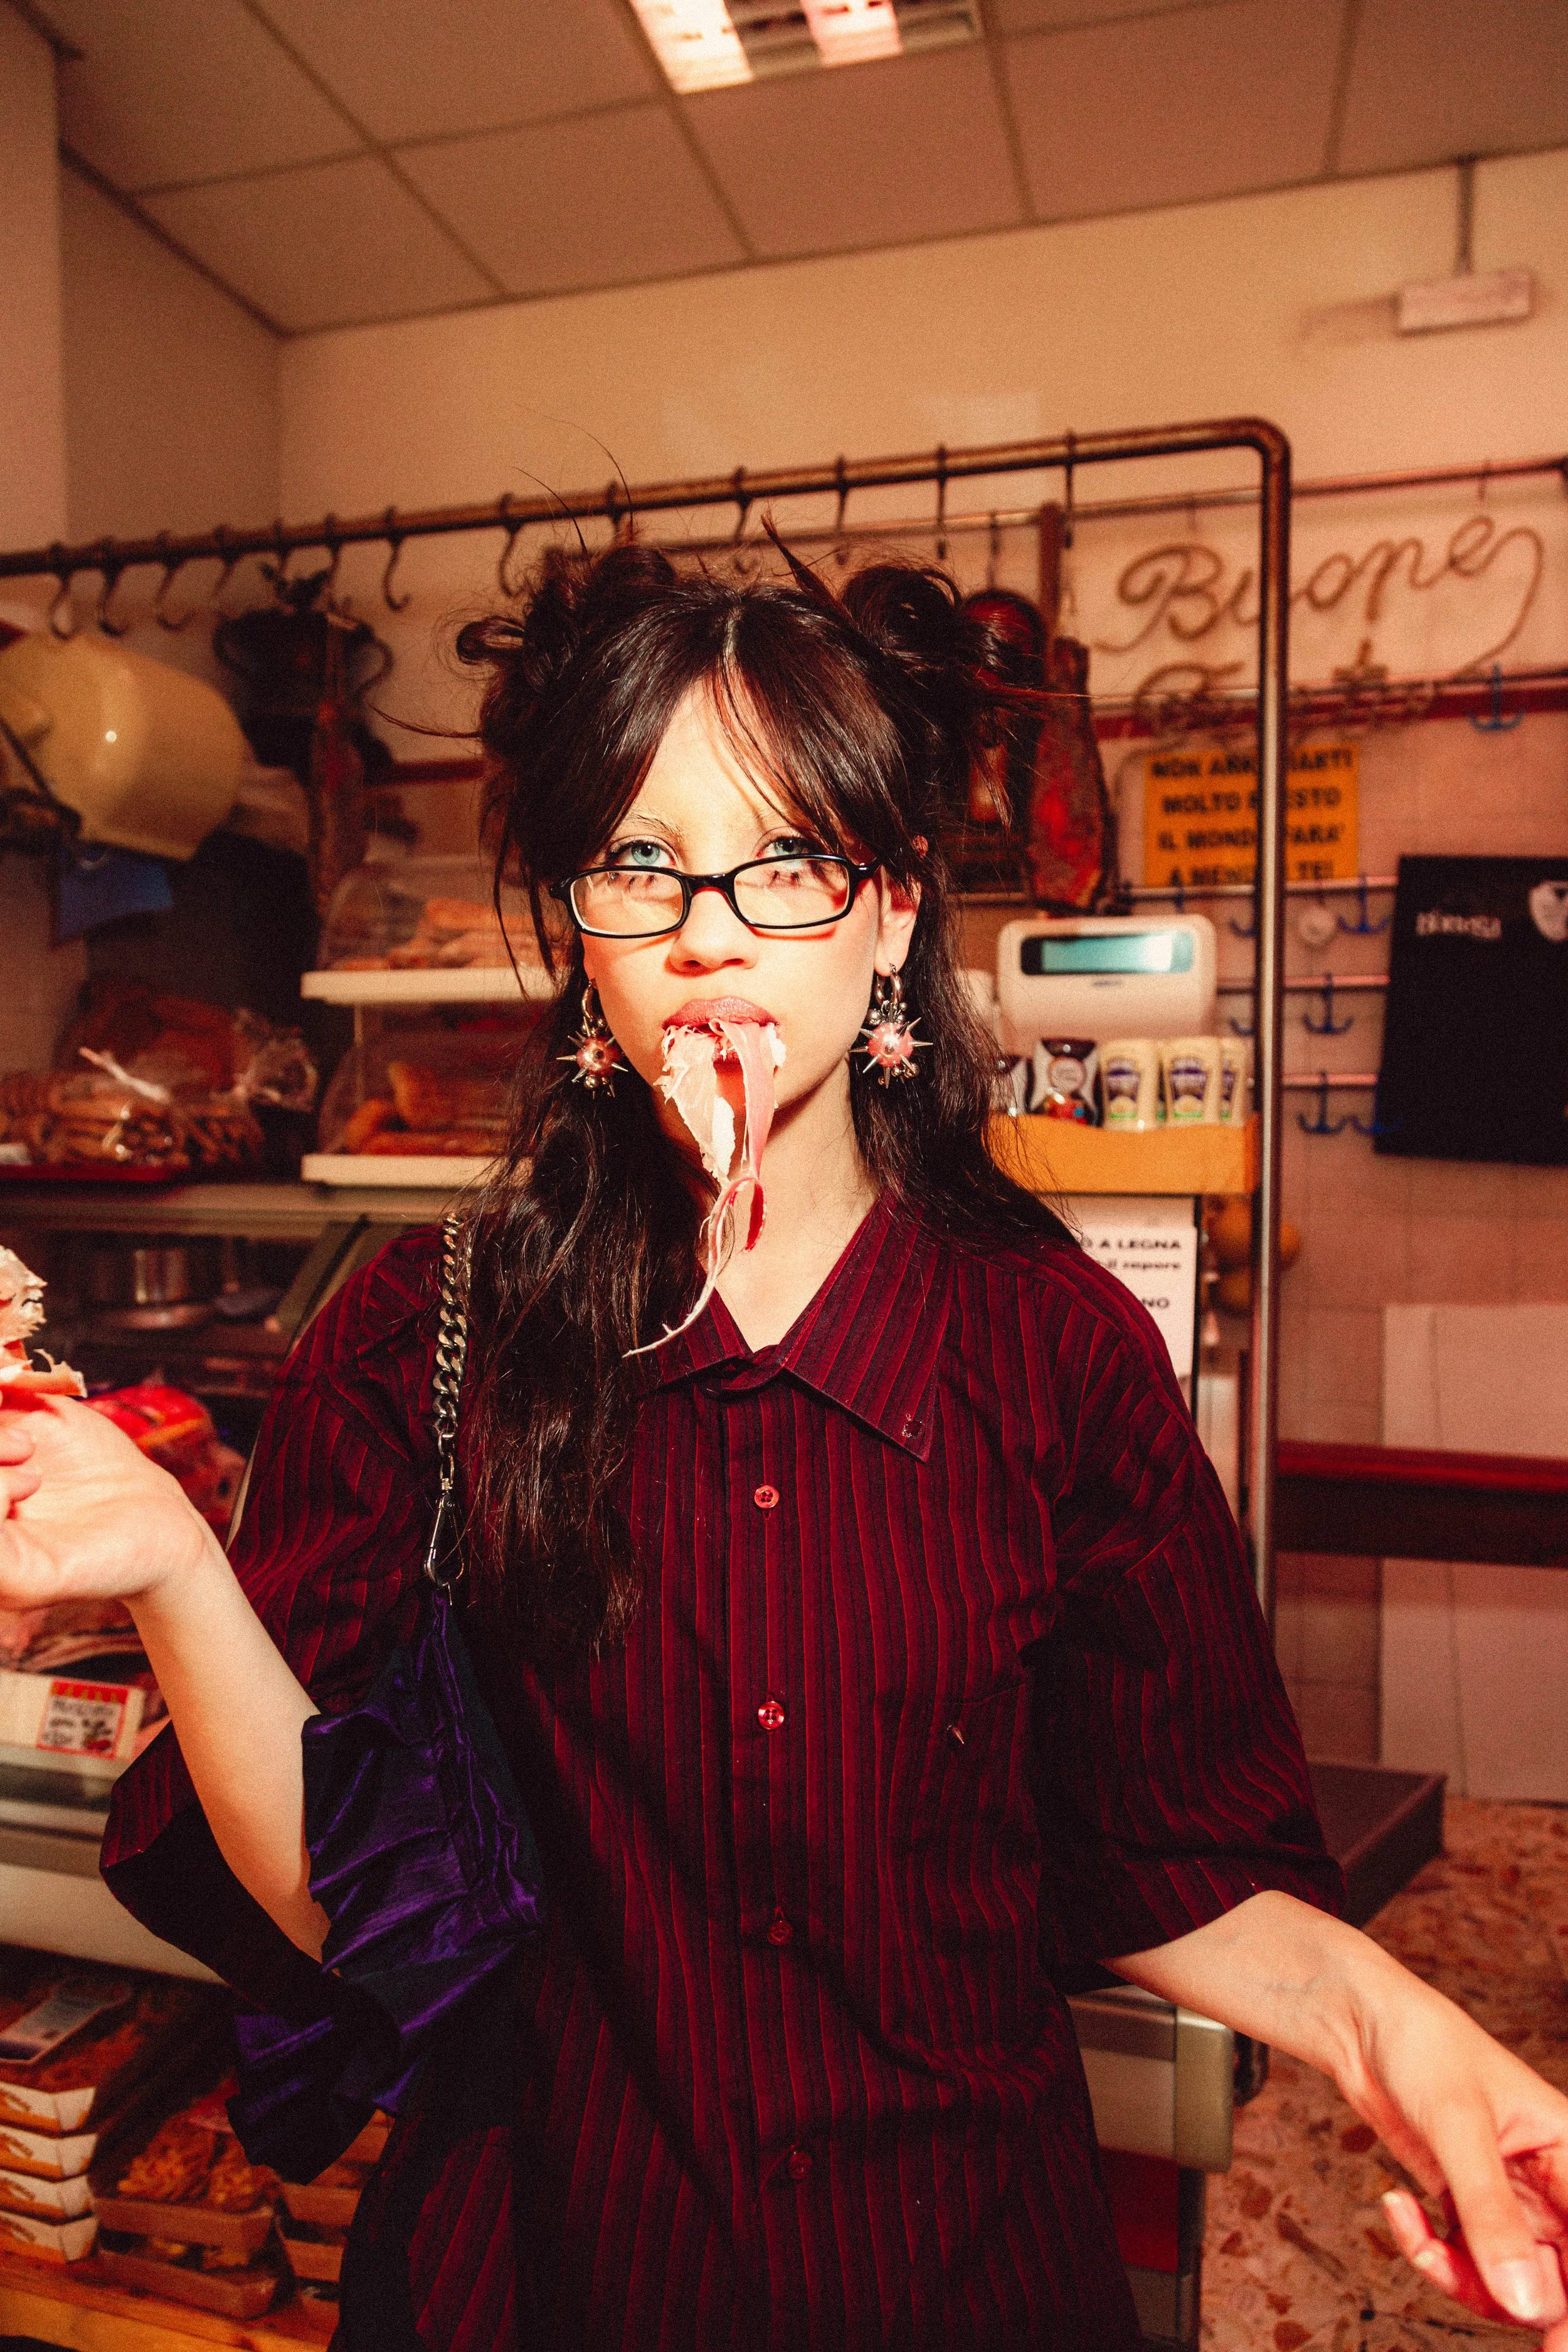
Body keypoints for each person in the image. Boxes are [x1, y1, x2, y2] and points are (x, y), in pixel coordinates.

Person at [1, 543, 1565, 2352]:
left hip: (961, 2275)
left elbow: (1168, 1856)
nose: (710, 925)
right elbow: (361, 1908)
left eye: (789, 860)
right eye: (641, 862)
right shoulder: (424, 1336)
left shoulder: (1057, 1358)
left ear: (892, 907)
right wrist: (180, 1571)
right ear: (579, 926)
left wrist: (1402, 2032)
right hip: (547, 2275)